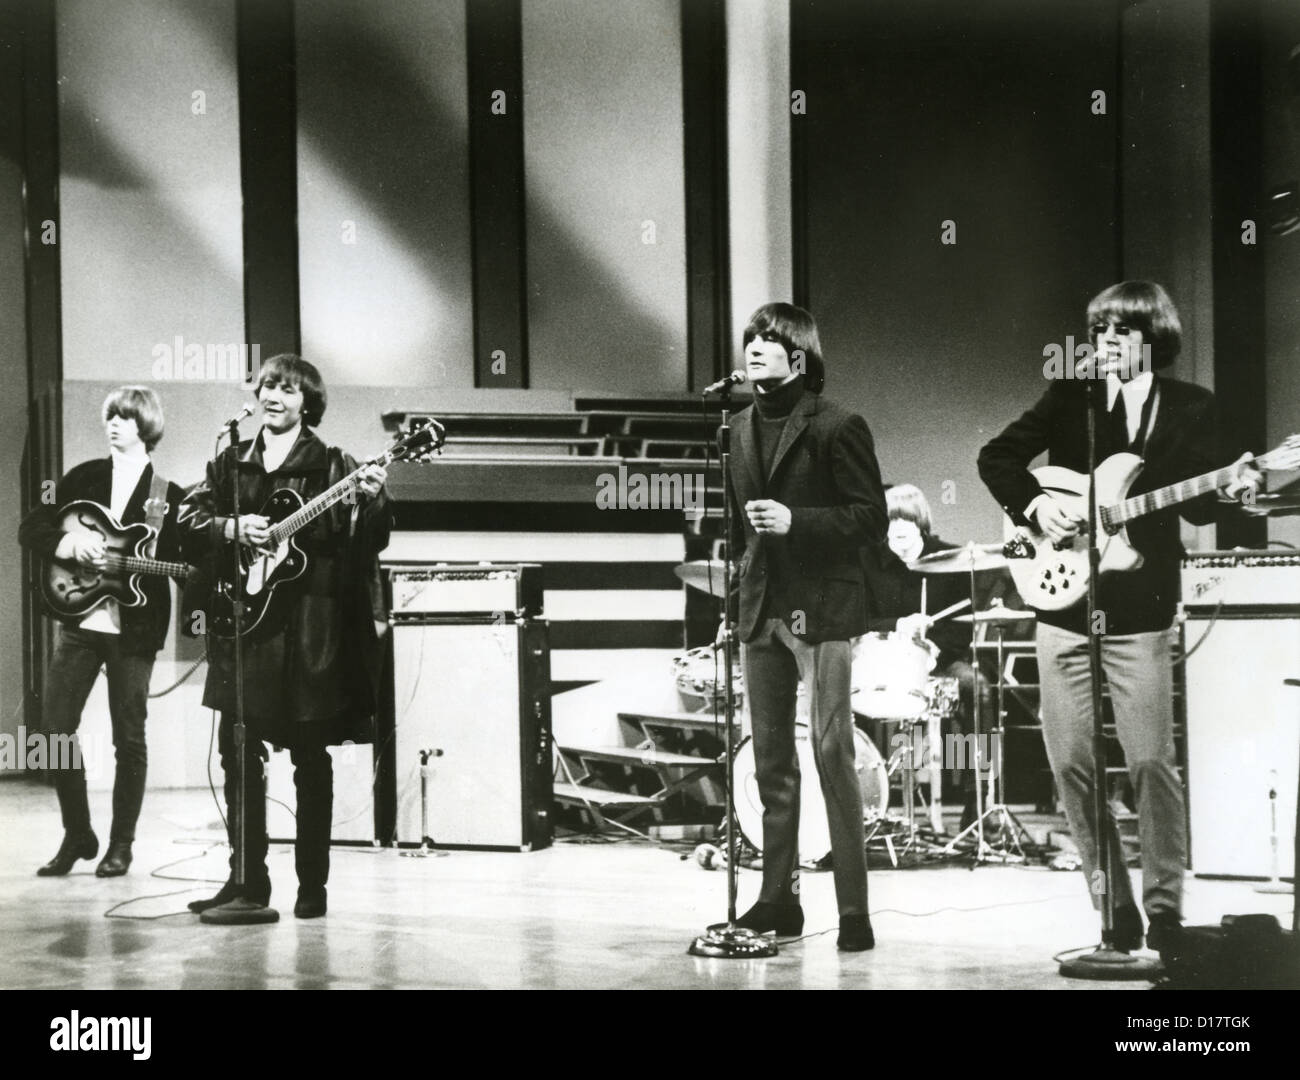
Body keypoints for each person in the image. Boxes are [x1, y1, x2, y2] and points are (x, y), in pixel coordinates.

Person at [978, 281, 1259, 958]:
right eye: (1098, 330)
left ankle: (1165, 912)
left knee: (1151, 764)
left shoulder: (1193, 408)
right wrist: (1034, 510)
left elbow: (1197, 509)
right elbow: (997, 458)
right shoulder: (1070, 398)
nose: (1104, 343)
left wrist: (1238, 491)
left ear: (1151, 340)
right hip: (1064, 608)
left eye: (1119, 332)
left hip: (1141, 612)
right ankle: (1113, 912)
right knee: (1071, 763)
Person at [178, 355, 390, 919]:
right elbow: (186, 522)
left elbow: (373, 539)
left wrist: (371, 497)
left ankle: (312, 886)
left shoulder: (334, 464)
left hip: (309, 634)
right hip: (247, 632)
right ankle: (247, 881)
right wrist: (231, 526)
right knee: (238, 754)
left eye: (287, 389)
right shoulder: (230, 463)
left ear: (307, 402)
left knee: (309, 759)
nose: (273, 395)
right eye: (267, 385)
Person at [720, 301, 887, 951]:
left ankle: (854, 912)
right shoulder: (733, 428)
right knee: (768, 764)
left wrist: (799, 521)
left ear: (800, 356)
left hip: (822, 608)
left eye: (771, 338)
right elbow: (737, 528)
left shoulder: (839, 424)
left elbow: (869, 517)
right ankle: (776, 900)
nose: (756, 346)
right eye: (751, 338)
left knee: (830, 753)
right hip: (761, 610)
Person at [18, 386, 185, 878]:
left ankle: (121, 845)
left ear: (146, 427)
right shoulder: (83, 477)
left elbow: (186, 560)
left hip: (134, 631)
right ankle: (78, 833)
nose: (113, 424)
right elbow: (32, 527)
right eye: (110, 415)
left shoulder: (167, 495)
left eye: (125, 418)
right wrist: (68, 541)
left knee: (128, 738)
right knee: (54, 730)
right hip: (80, 623)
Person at [862, 483, 985, 827]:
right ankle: (860, 806)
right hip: (881, 660)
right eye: (890, 521)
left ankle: (977, 804)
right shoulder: (868, 561)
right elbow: (857, 616)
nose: (898, 529)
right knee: (835, 694)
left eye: (907, 520)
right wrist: (898, 625)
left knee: (978, 690)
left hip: (939, 662)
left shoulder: (953, 559)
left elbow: (963, 625)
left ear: (922, 523)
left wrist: (933, 648)